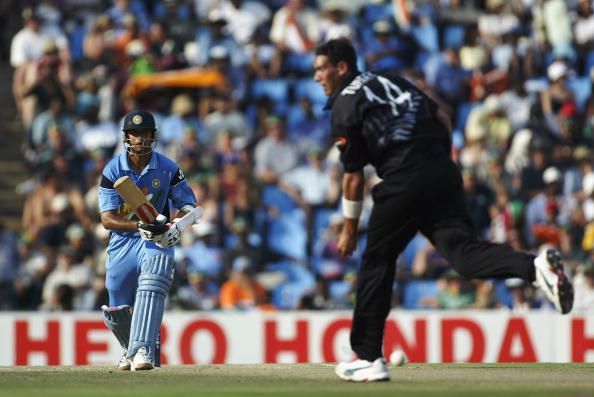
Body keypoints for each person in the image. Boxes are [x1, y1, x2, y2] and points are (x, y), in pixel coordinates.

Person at [312, 38, 574, 383]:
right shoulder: (390, 78)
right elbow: (442, 116)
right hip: (442, 170)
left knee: (377, 260)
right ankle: (535, 267)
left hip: (404, 178)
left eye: (320, 69)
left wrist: (348, 228)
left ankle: (368, 355)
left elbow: (353, 177)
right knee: (464, 255)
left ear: (341, 67)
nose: (317, 77)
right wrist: (436, 162)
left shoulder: (345, 106)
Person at [98, 110, 197, 371]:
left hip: (156, 238)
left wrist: (178, 225)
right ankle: (129, 349)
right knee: (116, 304)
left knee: (154, 279)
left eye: (145, 133)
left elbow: (189, 206)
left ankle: (142, 348)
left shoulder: (168, 168)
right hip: (123, 241)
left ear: (153, 136)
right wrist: (138, 225)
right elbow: (107, 219)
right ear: (126, 136)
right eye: (135, 133)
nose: (140, 139)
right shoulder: (113, 170)